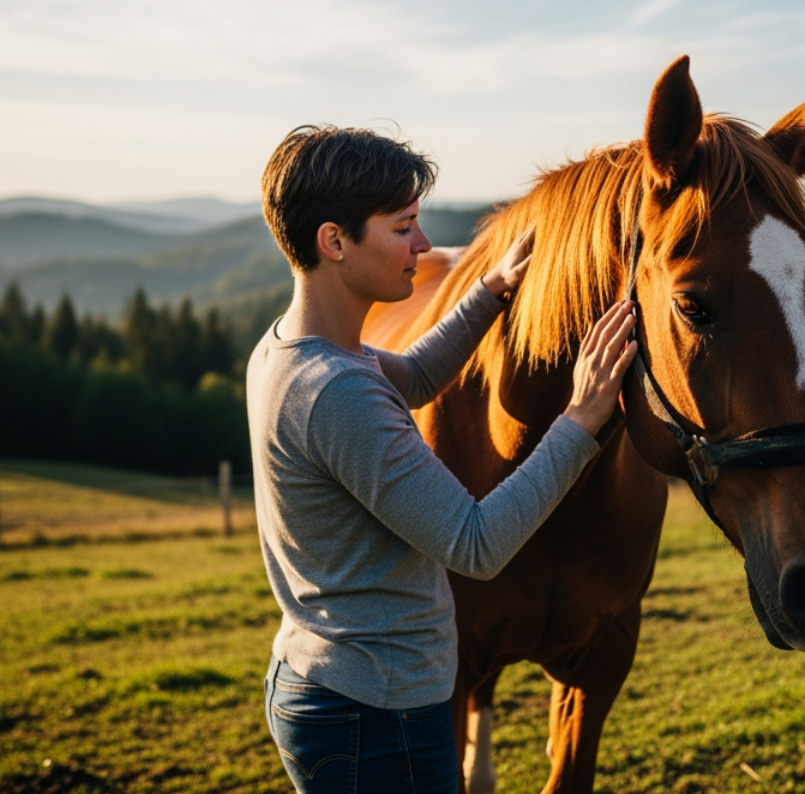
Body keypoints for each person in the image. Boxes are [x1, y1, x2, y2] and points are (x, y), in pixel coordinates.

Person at [247, 125, 637, 794]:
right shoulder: (338, 392)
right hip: (375, 713)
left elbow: (418, 376)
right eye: (403, 228)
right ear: (334, 241)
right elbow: (476, 544)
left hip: (330, 685)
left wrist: (487, 292)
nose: (425, 246)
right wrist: (582, 418)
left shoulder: (294, 348)